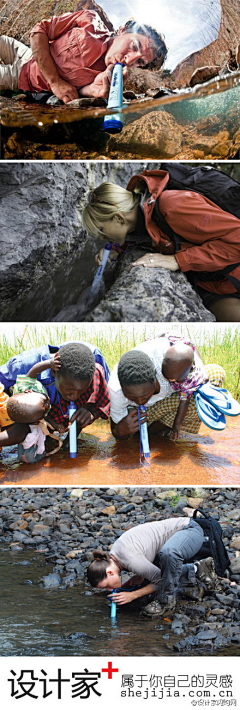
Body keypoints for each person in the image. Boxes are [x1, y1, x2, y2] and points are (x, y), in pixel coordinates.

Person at [82, 170, 240, 321]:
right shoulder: (141, 219)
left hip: (231, 277)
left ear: (118, 218)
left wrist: (177, 260)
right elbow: (147, 234)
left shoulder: (173, 205)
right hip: (213, 282)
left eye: (101, 230)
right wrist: (116, 249)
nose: (102, 237)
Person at [0, 10, 167, 103]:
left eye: (139, 61)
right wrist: (55, 82)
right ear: (123, 31)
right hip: (26, 52)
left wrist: (95, 91)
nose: (129, 60)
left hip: (22, 77)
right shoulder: (89, 19)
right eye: (134, 46)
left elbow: (78, 92)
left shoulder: (111, 78)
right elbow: (39, 31)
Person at [87, 517, 218, 617]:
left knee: (169, 555)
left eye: (106, 586)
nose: (109, 589)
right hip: (174, 540)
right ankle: (198, 569)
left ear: (110, 573)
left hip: (190, 531)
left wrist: (132, 595)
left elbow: (161, 580)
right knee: (158, 573)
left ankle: (166, 601)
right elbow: (142, 568)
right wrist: (130, 584)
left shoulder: (129, 559)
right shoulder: (114, 556)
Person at [108, 335, 225, 440]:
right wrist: (120, 431)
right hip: (137, 415)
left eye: (145, 395)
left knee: (215, 374)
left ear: (155, 375)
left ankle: (152, 432)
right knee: (128, 436)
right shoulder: (115, 388)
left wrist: (199, 364)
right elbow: (116, 432)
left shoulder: (168, 358)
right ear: (123, 389)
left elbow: (189, 344)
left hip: (163, 404)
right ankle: (140, 433)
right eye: (131, 397)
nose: (140, 401)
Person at [0, 341, 111, 438]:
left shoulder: (96, 360)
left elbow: (107, 395)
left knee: (96, 374)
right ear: (53, 371)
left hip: (53, 408)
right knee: (23, 432)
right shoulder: (22, 365)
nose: (76, 396)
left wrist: (92, 413)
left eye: (81, 391)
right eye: (69, 389)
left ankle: (71, 436)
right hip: (25, 409)